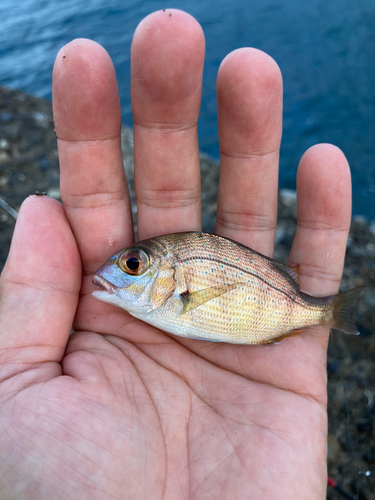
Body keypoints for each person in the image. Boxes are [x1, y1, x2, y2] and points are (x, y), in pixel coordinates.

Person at [0, 9, 352, 500]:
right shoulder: (160, 303)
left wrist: (310, 310)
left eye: (133, 264)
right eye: (129, 264)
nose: (118, 272)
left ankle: (326, 311)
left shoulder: (177, 296)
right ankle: (324, 311)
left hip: (274, 307)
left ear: (167, 275)